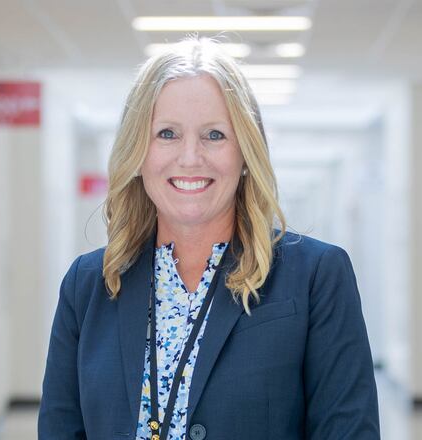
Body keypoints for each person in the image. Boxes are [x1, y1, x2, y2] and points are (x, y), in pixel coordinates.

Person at [38, 38, 379, 440]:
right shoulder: (88, 284)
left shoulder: (316, 276)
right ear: (138, 153)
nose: (190, 157)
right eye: (167, 133)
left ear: (245, 153)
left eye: (214, 135)